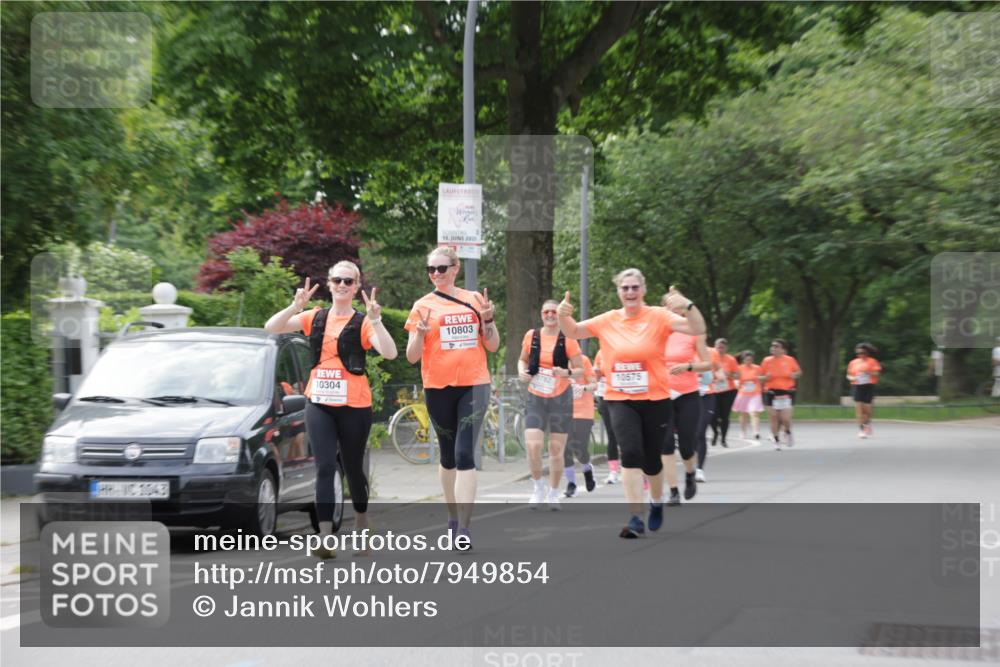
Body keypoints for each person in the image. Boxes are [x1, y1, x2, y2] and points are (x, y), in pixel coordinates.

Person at [264, 261, 398, 559]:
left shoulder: (363, 322)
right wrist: (294, 306)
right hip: (319, 403)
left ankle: (362, 522)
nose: (342, 285)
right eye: (337, 280)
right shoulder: (315, 317)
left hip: (354, 406)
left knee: (352, 468)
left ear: (356, 286)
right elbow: (271, 328)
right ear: (329, 283)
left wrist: (376, 320)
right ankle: (325, 538)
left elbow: (390, 353)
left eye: (348, 282)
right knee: (324, 467)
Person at [558, 270, 705, 538]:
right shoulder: (608, 319)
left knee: (652, 461)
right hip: (619, 398)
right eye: (625, 288)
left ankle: (656, 501)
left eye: (635, 287)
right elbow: (574, 331)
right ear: (618, 291)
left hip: (656, 398)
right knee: (631, 454)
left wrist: (688, 305)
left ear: (643, 289)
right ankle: (636, 517)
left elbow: (697, 329)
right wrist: (562, 314)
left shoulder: (659, 316)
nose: (630, 292)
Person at [405, 246, 500, 548]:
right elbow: (411, 356)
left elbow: (494, 345)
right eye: (431, 269)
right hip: (438, 387)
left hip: (474, 385)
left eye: (441, 268)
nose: (436, 274)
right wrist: (419, 334)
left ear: (455, 268)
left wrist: (488, 321)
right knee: (447, 458)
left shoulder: (474, 300)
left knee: (463, 455)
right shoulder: (421, 306)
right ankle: (452, 518)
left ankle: (464, 530)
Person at [517, 300, 585, 510]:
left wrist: (567, 373)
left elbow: (580, 369)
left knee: (556, 450)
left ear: (559, 315)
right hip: (536, 396)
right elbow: (522, 360)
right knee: (533, 446)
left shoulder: (569, 338)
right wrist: (521, 371)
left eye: (553, 312)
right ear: (541, 314)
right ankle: (538, 487)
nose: (550, 315)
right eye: (546, 311)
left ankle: (554, 492)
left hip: (560, 398)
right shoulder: (532, 336)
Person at [661, 327, 711, 503]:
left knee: (686, 446)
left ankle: (690, 475)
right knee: (665, 444)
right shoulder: (654, 331)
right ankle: (673, 491)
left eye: (676, 307)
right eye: (669, 307)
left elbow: (708, 364)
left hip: (687, 394)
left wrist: (688, 366)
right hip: (662, 394)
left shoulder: (692, 333)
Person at [563, 353, 598, 497]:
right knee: (565, 448)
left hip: (583, 411)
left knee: (580, 448)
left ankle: (587, 470)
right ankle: (571, 483)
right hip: (562, 411)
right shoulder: (554, 361)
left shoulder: (583, 360)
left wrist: (582, 388)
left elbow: (594, 384)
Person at [759, 339, 802, 450]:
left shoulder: (790, 360)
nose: (773, 348)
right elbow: (759, 377)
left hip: (787, 391)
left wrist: (794, 375)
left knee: (785, 419)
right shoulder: (766, 361)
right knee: (774, 417)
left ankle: (787, 431)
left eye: (776, 346)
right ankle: (776, 440)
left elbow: (799, 372)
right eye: (772, 346)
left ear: (783, 350)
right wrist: (765, 378)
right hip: (770, 392)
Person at [594, 350, 621, 484]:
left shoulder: (625, 349)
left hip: (622, 396)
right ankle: (613, 472)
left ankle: (638, 469)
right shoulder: (601, 353)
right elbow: (596, 377)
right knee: (612, 434)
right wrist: (597, 373)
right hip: (604, 396)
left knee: (626, 435)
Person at [847, 342, 882, 438]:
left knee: (867, 410)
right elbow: (849, 375)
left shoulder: (872, 361)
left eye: (862, 353)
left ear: (867, 353)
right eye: (858, 353)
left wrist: (868, 372)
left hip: (868, 386)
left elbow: (877, 374)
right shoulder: (853, 363)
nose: (860, 355)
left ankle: (867, 424)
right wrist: (852, 378)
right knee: (859, 410)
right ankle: (861, 429)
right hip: (857, 386)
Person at [710, 338, 740, 448]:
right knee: (712, 416)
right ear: (714, 347)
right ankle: (715, 432)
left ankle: (723, 438)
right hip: (713, 390)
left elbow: (737, 375)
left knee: (724, 416)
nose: (720, 349)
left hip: (728, 391)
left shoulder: (731, 359)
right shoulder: (709, 358)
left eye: (722, 347)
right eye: (718, 347)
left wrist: (729, 375)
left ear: (726, 348)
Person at [732, 351, 764, 439]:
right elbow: (735, 378)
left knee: (754, 413)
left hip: (755, 393)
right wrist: (736, 383)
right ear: (743, 360)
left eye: (750, 359)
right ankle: (743, 431)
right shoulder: (739, 368)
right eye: (747, 359)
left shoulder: (757, 368)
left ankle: (756, 432)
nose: (749, 361)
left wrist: (761, 378)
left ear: (753, 359)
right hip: (743, 393)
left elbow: (762, 378)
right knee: (743, 413)